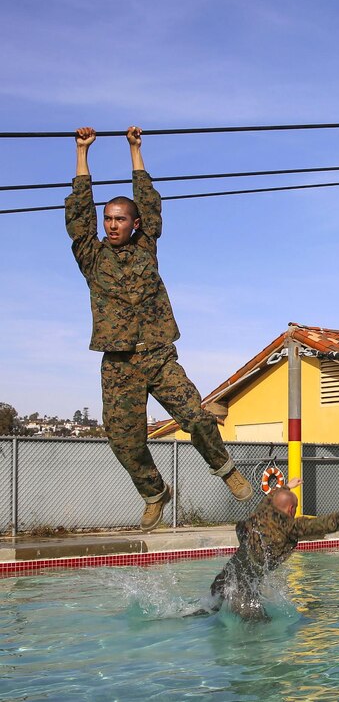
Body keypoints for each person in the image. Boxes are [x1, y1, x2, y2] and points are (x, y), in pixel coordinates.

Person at [66, 127, 255, 532]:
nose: (112, 226)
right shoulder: (91, 256)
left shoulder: (146, 245)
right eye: (108, 220)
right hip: (118, 363)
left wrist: (136, 151)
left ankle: (224, 469)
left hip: (157, 356)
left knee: (197, 417)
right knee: (124, 440)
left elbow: (149, 202)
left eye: (120, 220)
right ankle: (155, 494)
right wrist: (82, 153)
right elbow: (78, 215)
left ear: (134, 225)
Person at [208, 479, 339, 620]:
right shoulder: (291, 526)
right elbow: (325, 523)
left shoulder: (260, 513)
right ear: (291, 509)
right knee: (258, 624)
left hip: (226, 577)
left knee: (210, 608)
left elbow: (269, 498)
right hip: (244, 590)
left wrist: (286, 486)